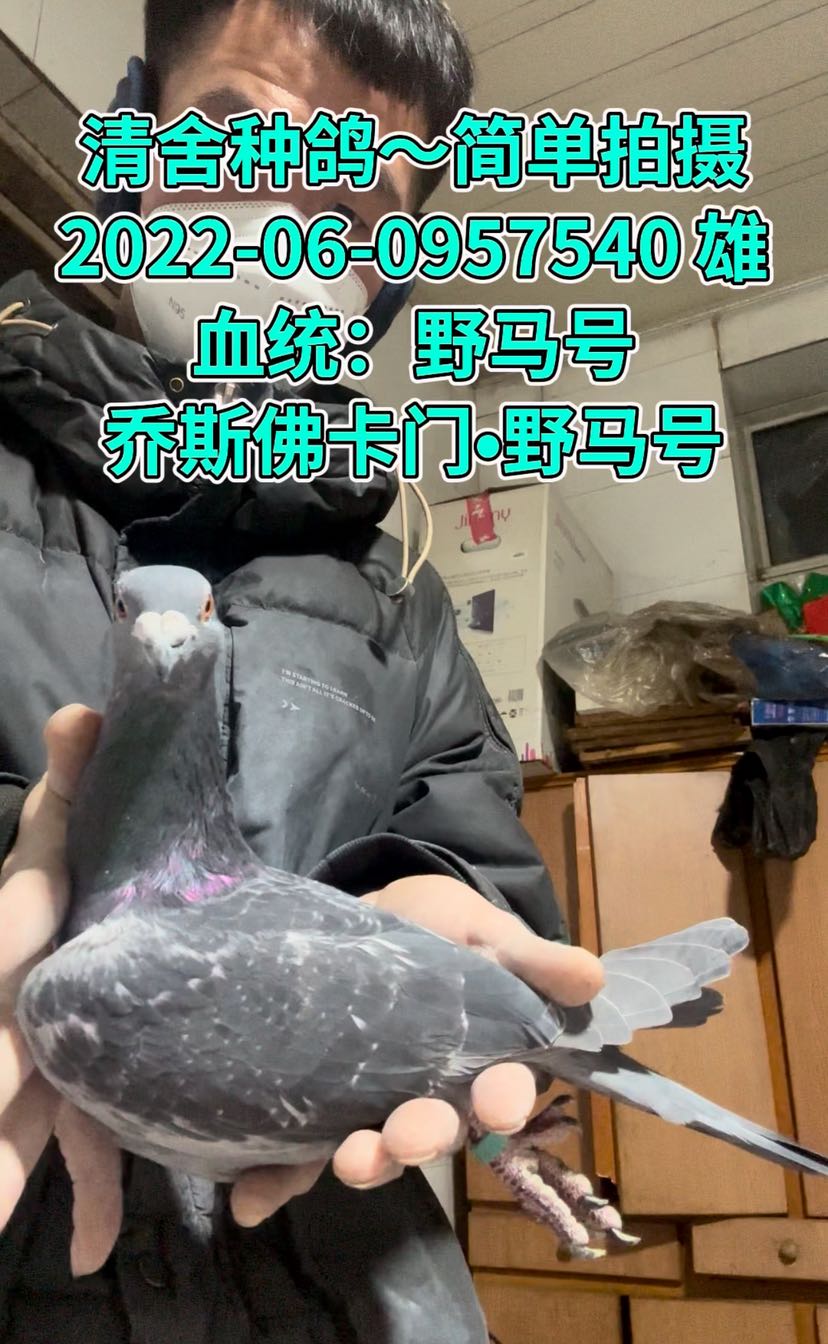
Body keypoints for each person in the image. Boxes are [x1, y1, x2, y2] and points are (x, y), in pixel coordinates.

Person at [0, 2, 603, 1340]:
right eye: (238, 136)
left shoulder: (402, 606)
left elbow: (489, 883)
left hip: (347, 1285)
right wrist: (64, 915)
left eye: (353, 202)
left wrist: (412, 915)